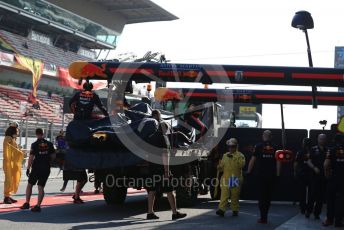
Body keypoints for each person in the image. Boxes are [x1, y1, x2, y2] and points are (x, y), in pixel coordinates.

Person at [146, 109, 187, 220]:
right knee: (170, 191)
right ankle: (175, 213)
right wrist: (167, 171)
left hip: (152, 168)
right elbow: (165, 156)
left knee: (152, 190)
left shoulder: (150, 137)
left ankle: (150, 212)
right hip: (161, 169)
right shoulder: (164, 139)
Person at [247, 130, 281, 224]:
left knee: (262, 196)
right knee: (268, 197)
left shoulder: (258, 146)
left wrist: (249, 172)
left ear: (263, 136)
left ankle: (263, 217)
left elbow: (252, 160)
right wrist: (278, 174)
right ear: (271, 137)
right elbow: (278, 162)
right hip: (271, 175)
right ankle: (264, 215)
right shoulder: (276, 147)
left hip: (260, 175)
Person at [20, 128, 55, 212]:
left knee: (30, 184)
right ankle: (38, 206)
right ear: (43, 133)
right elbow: (54, 156)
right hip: (46, 168)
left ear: (36, 134)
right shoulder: (50, 144)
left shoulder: (34, 144)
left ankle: (27, 203)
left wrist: (28, 168)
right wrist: (48, 161)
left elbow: (31, 157)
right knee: (41, 187)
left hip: (36, 168)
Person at [216, 138, 246, 217]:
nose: (231, 148)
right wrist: (219, 167)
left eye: (232, 146)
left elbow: (241, 165)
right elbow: (222, 167)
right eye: (229, 146)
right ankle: (221, 210)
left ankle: (235, 209)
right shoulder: (225, 155)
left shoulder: (240, 155)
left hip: (235, 178)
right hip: (225, 178)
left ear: (236, 146)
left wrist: (233, 157)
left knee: (234, 195)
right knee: (224, 195)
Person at [322, 134, 344, 227]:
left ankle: (329, 220)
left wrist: (327, 175)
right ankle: (338, 221)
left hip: (333, 178)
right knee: (342, 200)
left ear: (334, 140)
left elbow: (326, 164)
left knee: (330, 199)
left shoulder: (330, 150)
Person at [306, 133, 328, 219]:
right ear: (318, 139)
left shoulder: (328, 150)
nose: (322, 140)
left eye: (324, 139)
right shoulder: (313, 149)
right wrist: (314, 168)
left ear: (326, 140)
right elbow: (308, 161)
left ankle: (317, 213)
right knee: (312, 194)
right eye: (320, 139)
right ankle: (308, 211)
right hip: (314, 175)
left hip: (324, 176)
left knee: (321, 196)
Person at [3, 123, 24, 204]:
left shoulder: (13, 139)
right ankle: (6, 197)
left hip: (12, 162)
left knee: (12, 179)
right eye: (17, 130)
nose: (18, 132)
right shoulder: (8, 138)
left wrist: (19, 150)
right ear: (13, 130)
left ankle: (9, 195)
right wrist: (19, 152)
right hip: (8, 162)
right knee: (8, 179)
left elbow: (14, 149)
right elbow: (8, 148)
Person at [294, 138, 313, 215]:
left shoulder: (300, 152)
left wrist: (295, 172)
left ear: (303, 143)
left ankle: (302, 209)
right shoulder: (313, 152)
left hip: (301, 174)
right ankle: (309, 209)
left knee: (302, 193)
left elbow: (295, 163)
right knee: (311, 193)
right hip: (311, 174)